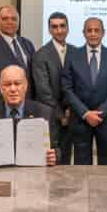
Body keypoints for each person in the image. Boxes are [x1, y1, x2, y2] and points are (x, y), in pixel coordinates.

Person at [62, 17, 107, 165]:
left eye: (96, 30)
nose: (93, 34)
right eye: (89, 30)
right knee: (81, 167)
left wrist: (99, 114)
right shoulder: (72, 56)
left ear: (103, 33)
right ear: (83, 33)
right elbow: (67, 88)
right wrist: (86, 114)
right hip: (80, 120)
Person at [0, 65, 58, 168]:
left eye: (17, 83)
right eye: (7, 84)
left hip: (32, 174)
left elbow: (56, 149)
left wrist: (54, 156)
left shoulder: (44, 113)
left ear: (25, 86)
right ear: (1, 88)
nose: (13, 89)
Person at [29, 12, 75, 164]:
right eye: (54, 27)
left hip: (73, 115)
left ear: (68, 28)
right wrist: (61, 115)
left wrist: (71, 110)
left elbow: (79, 85)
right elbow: (43, 92)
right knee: (51, 161)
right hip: (51, 117)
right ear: (49, 30)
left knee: (67, 160)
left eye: (62, 26)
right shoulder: (40, 55)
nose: (59, 30)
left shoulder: (76, 51)